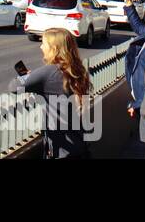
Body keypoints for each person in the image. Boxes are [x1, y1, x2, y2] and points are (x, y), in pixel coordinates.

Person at [17, 28, 93, 158]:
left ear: (54, 48)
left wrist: (30, 77)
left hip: (62, 150)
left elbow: (14, 86)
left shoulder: (50, 72)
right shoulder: (77, 71)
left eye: (44, 44)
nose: (41, 47)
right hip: (79, 144)